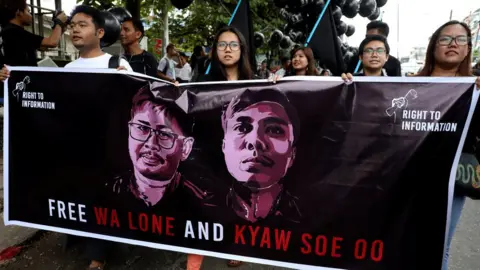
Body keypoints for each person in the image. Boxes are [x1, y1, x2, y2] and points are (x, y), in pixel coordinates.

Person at [193, 25, 255, 268]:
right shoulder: (202, 82)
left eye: (233, 45)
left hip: (242, 155)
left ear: (242, 50)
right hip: (211, 153)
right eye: (222, 45)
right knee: (203, 204)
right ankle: (194, 257)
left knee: (239, 202)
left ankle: (235, 247)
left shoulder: (257, 81)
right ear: (214, 50)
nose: (227, 50)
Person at [221, 88, 302, 223]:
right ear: (224, 146)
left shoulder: (309, 218)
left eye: (275, 130)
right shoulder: (201, 208)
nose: (255, 141)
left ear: (292, 154)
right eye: (242, 128)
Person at [0, 0, 68, 67]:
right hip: (21, 76)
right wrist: (59, 22)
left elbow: (43, 47)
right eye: (28, 11)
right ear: (19, 12)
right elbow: (52, 42)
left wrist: (60, 30)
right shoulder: (13, 32)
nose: (31, 16)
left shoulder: (11, 31)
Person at [64, 5, 132, 71]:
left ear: (100, 33)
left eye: (82, 25)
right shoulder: (67, 69)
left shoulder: (120, 65)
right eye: (72, 26)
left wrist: (125, 80)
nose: (75, 30)